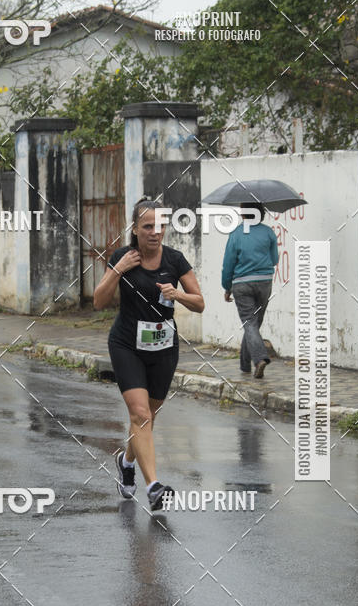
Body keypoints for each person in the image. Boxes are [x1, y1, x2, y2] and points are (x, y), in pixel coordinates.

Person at [93, 198, 204, 510]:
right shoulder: (122, 257)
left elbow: (200, 302)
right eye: (148, 226)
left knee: (147, 418)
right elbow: (99, 302)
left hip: (164, 349)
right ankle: (154, 487)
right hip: (127, 345)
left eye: (161, 226)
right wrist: (118, 269)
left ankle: (126, 462)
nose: (156, 232)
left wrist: (177, 294)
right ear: (135, 229)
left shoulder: (175, 260)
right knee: (140, 414)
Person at [221, 202, 279, 379]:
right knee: (254, 324)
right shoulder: (268, 232)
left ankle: (259, 358)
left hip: (241, 284)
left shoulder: (236, 234)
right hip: (264, 282)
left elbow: (228, 264)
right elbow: (275, 259)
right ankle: (245, 364)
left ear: (244, 214)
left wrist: (226, 287)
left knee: (249, 323)